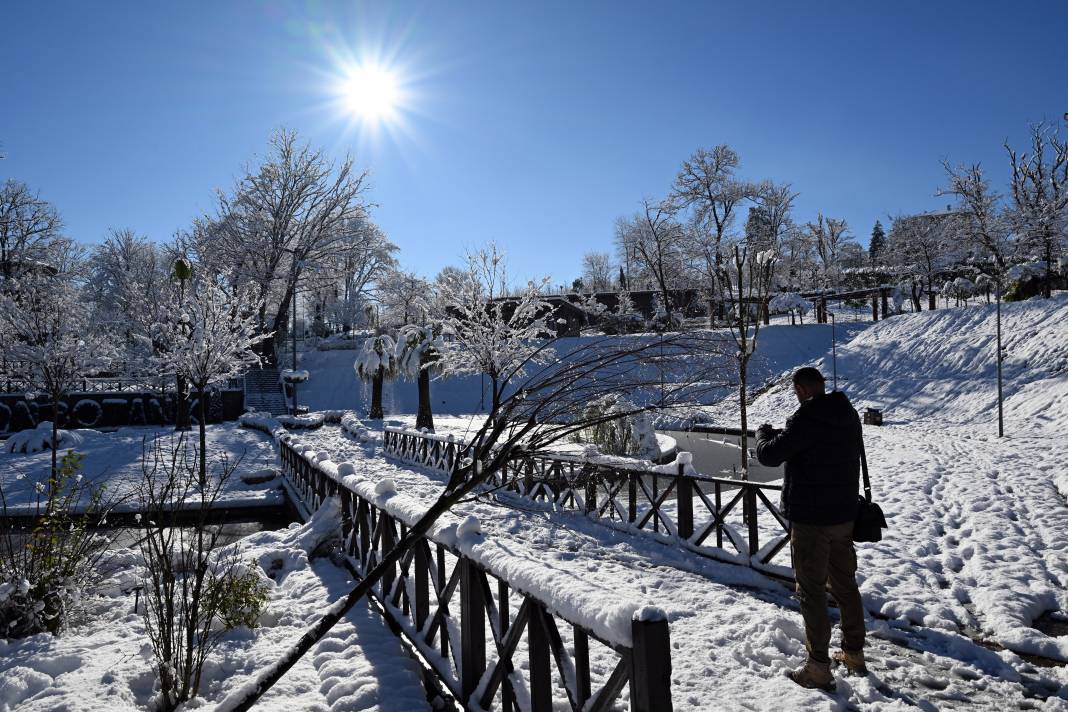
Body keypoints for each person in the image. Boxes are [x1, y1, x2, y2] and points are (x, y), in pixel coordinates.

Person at [755, 366, 867, 691]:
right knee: (845, 584)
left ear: (802, 390)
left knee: (812, 591)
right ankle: (854, 653)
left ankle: (817, 667)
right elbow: (815, 444)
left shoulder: (807, 419)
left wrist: (763, 434)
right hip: (844, 516)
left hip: (811, 522)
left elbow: (770, 455)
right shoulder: (846, 414)